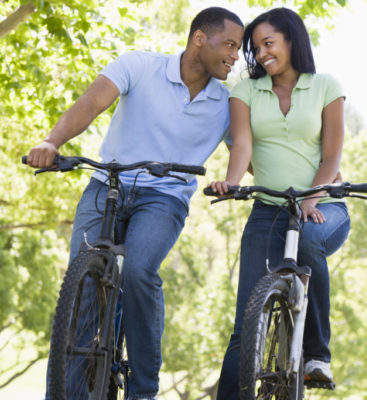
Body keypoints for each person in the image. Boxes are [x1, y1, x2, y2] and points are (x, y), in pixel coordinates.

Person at [27, 7, 244, 400]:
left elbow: (246, 150)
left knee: (139, 271)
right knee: (82, 292)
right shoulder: (139, 66)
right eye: (230, 44)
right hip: (106, 182)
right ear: (199, 38)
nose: (236, 55)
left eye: (239, 48)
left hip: (164, 198)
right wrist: (51, 142)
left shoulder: (227, 105)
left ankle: (144, 389)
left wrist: (234, 181)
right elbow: (89, 105)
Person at [209, 8, 351, 399]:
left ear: (292, 40)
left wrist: (311, 197)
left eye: (268, 43)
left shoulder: (325, 86)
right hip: (269, 209)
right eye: (256, 48)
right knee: (245, 324)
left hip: (325, 204)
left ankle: (316, 356)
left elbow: (331, 158)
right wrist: (232, 181)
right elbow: (243, 145)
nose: (262, 53)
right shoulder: (246, 91)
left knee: (308, 239)